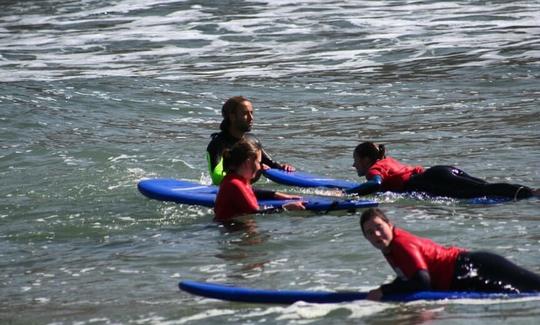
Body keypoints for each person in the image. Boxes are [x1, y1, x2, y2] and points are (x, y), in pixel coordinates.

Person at [359, 208, 540, 301]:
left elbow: (423, 281)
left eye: (379, 227)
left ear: (390, 224)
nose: (376, 234)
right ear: (365, 238)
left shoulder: (401, 244)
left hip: (474, 268)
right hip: (467, 270)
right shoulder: (389, 247)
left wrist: (385, 291)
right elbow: (410, 276)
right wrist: (386, 289)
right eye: (369, 232)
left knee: (530, 290)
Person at [346, 141, 537, 200]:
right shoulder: (388, 161)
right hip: (440, 173)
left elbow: (374, 184)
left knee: (484, 191)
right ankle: (528, 192)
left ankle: (530, 193)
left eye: (356, 161)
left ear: (366, 159)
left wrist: (346, 193)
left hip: (434, 181)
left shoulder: (375, 169)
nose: (354, 166)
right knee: (485, 187)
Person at [207, 96, 295, 185]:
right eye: (245, 114)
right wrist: (255, 169)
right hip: (224, 191)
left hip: (247, 188)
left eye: (251, 113)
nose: (251, 117)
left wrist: (283, 167)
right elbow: (217, 179)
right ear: (232, 117)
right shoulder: (217, 144)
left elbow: (271, 165)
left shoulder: (252, 140)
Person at [214, 138, 305, 222]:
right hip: (233, 234)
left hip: (238, 230)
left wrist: (276, 195)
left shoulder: (237, 180)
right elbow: (256, 213)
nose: (259, 167)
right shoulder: (234, 184)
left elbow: (250, 192)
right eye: (258, 162)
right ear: (248, 162)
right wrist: (285, 208)